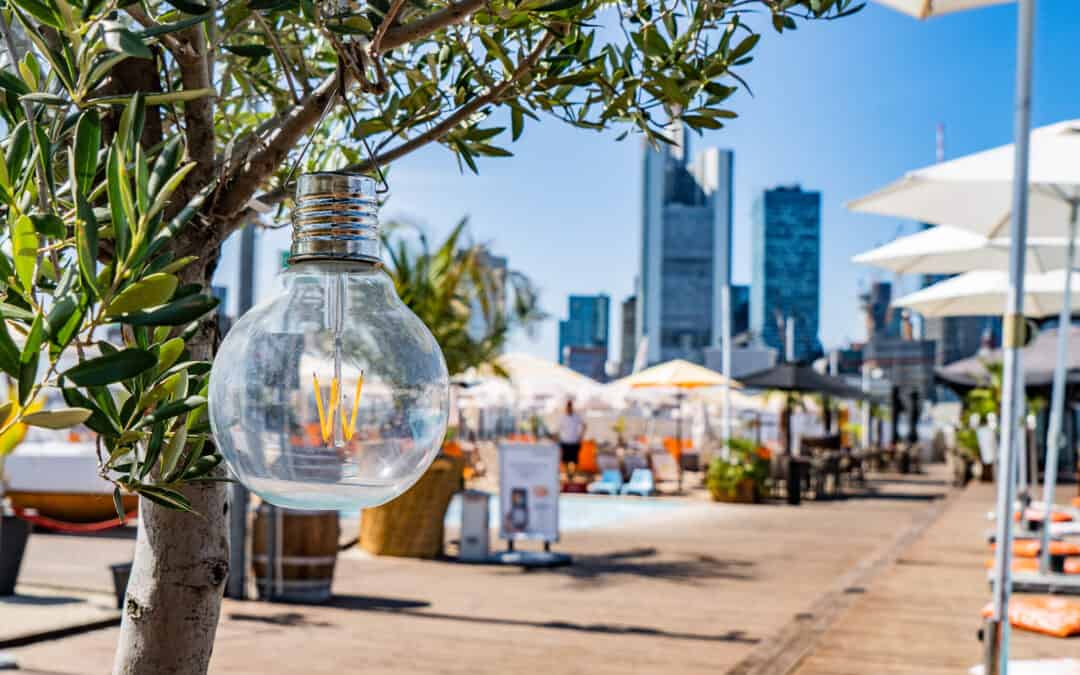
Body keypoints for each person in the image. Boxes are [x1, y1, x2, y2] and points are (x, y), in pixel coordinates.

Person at [558, 400, 586, 476]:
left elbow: (584, 425)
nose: (569, 408)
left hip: (574, 441)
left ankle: (573, 474)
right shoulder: (562, 417)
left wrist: (581, 436)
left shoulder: (577, 416)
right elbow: (559, 429)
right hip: (565, 441)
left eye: (570, 407)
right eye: (567, 407)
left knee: (575, 460)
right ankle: (568, 473)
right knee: (565, 460)